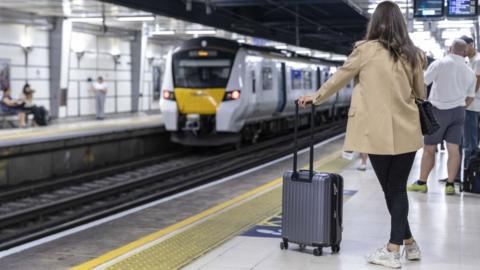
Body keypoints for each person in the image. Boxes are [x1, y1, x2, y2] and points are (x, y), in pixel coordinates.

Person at [298, 1, 425, 268]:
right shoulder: (414, 54)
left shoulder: (365, 51)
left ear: (375, 23)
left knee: (393, 190)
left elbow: (339, 78)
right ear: (401, 24)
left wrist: (316, 98)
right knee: (396, 189)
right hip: (408, 130)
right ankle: (410, 245)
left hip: (375, 132)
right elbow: (421, 94)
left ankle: (393, 250)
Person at [408, 39, 476, 196]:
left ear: (450, 48)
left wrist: (423, 101)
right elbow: (471, 97)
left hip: (438, 111)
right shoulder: (469, 72)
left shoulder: (440, 64)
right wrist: (460, 105)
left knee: (429, 149)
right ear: (464, 52)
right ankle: (450, 185)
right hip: (459, 112)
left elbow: (423, 82)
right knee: (454, 149)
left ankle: (422, 183)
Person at [460, 35, 480, 168]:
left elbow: (478, 81)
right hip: (470, 106)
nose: (463, 51)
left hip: (473, 107)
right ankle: (461, 174)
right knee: (466, 141)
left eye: (464, 47)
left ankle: (469, 173)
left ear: (471, 44)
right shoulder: (469, 61)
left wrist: (467, 100)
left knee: (470, 142)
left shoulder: (478, 60)